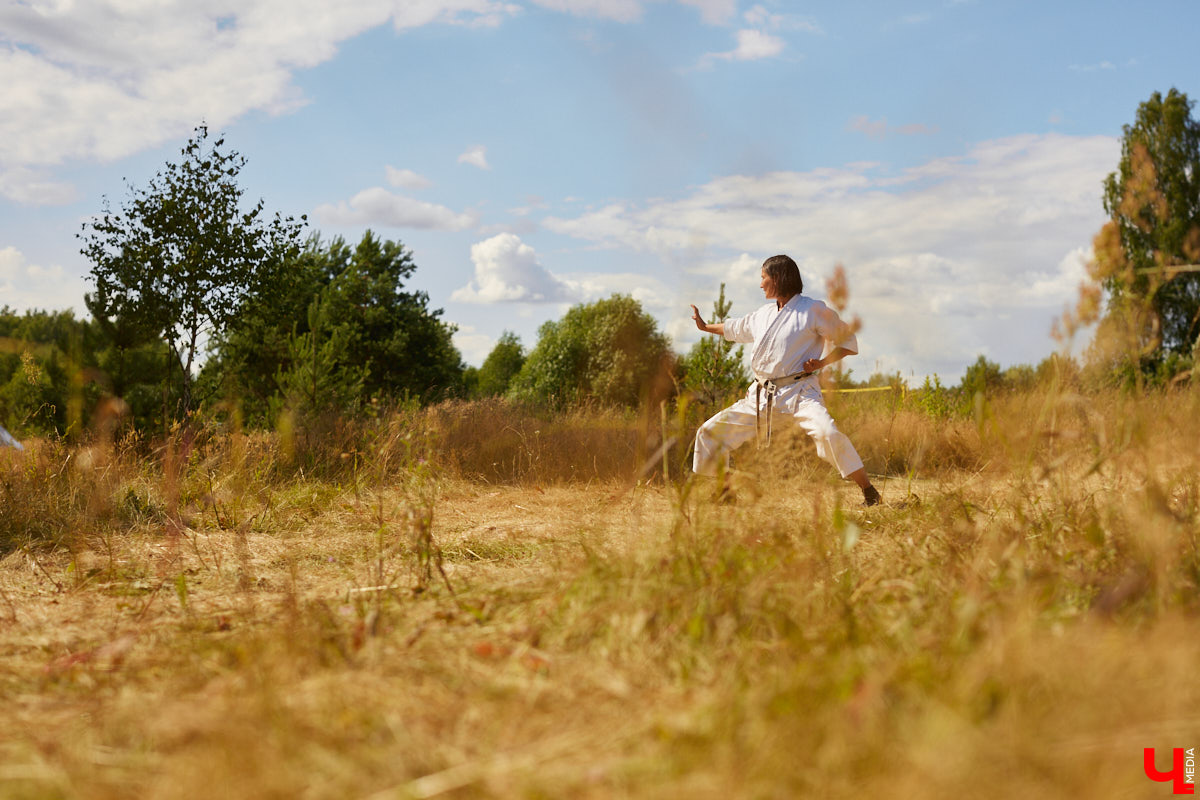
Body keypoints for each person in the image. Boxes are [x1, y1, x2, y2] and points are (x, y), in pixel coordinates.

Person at [689, 254, 882, 506]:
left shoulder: (813, 310)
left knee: (828, 432)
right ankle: (725, 492)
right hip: (761, 395)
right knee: (709, 432)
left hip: (800, 392)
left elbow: (846, 340)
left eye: (763, 278)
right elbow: (734, 328)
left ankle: (869, 491)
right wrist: (705, 328)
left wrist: (821, 363)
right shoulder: (763, 315)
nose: (760, 284)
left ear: (778, 278)